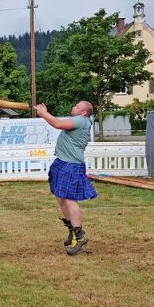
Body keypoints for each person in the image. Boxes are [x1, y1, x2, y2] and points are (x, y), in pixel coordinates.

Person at [35, 101, 97, 255]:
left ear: (83, 112)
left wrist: (43, 113)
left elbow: (57, 124)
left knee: (69, 199)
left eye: (77, 106)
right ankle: (72, 229)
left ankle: (80, 235)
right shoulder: (80, 120)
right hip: (62, 162)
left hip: (71, 165)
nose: (73, 107)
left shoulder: (82, 120)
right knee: (60, 197)